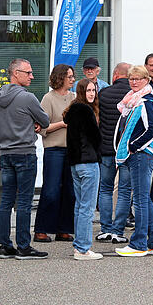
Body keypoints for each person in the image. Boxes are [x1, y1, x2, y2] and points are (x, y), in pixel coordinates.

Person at [0, 59, 51, 260]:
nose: (32, 76)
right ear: (16, 73)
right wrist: (33, 123)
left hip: (6, 152)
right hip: (24, 152)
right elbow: (45, 120)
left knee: (6, 201)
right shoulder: (27, 98)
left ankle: (4, 245)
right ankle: (24, 246)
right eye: (28, 72)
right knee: (24, 202)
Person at [113, 65, 153, 257]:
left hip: (143, 155)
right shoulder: (133, 102)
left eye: (138, 79)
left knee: (141, 199)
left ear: (146, 80)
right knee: (144, 199)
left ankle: (139, 244)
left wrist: (134, 146)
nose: (134, 82)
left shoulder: (146, 102)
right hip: (140, 155)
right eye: (131, 79)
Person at [34, 64, 76, 243]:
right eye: (70, 76)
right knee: (51, 190)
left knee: (70, 191)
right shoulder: (48, 98)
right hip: (54, 150)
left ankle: (63, 229)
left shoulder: (75, 97)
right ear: (61, 78)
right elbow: (42, 127)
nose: (73, 79)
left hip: (72, 150)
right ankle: (41, 229)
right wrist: (62, 124)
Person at [63, 78, 104, 260]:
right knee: (86, 208)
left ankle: (79, 246)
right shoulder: (86, 110)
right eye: (88, 90)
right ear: (81, 91)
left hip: (75, 163)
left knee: (80, 206)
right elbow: (96, 137)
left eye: (93, 90)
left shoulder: (72, 110)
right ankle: (83, 248)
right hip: (88, 161)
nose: (92, 93)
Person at [95, 62, 132, 244]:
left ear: (116, 74)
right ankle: (118, 230)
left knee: (106, 189)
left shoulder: (104, 93)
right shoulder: (133, 96)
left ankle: (105, 229)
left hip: (107, 149)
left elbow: (98, 120)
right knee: (125, 191)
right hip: (126, 151)